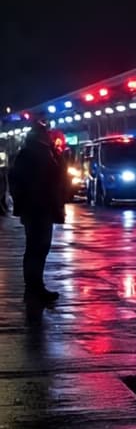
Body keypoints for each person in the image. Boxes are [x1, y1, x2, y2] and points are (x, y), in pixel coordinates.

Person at [8, 120, 66, 316]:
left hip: (36, 207)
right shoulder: (38, 154)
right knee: (38, 248)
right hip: (39, 207)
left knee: (37, 248)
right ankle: (34, 288)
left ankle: (34, 287)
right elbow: (55, 175)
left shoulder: (29, 153)